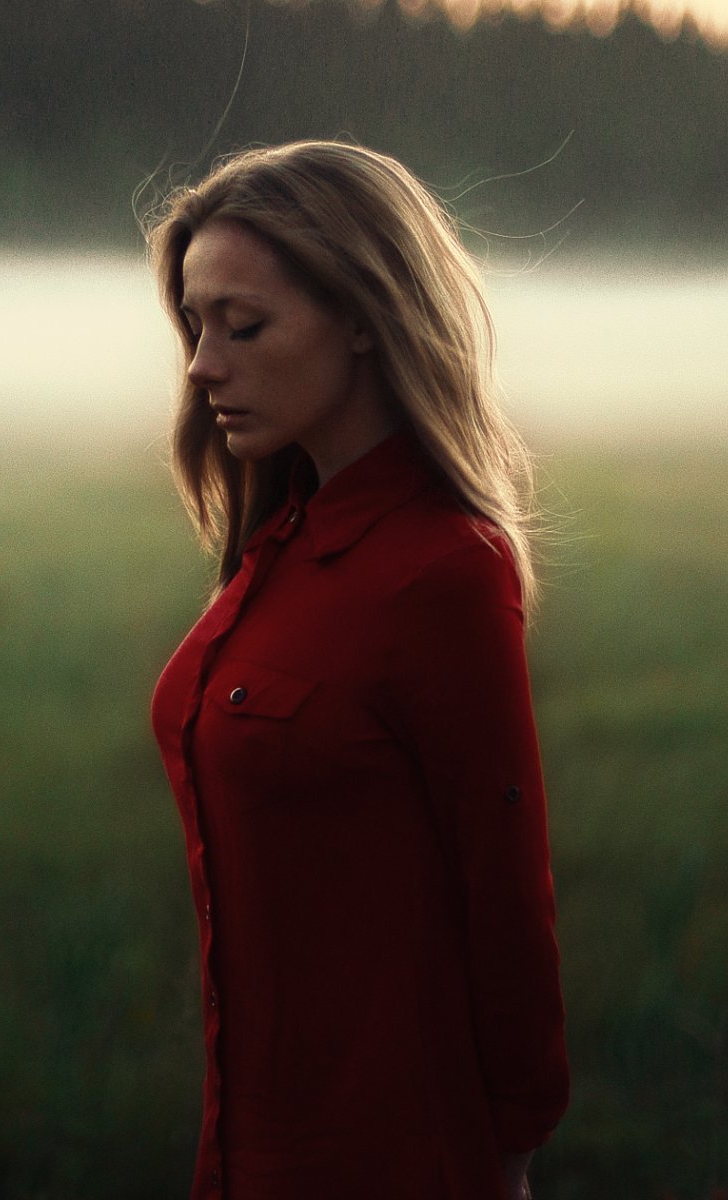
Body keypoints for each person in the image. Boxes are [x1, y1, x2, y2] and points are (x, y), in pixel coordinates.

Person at [145, 141, 568, 1200]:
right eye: (194, 326)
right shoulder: (275, 545)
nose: (202, 365)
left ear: (367, 319)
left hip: (389, 1160)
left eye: (242, 326)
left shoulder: (439, 573)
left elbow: (503, 888)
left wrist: (506, 1157)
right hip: (246, 1147)